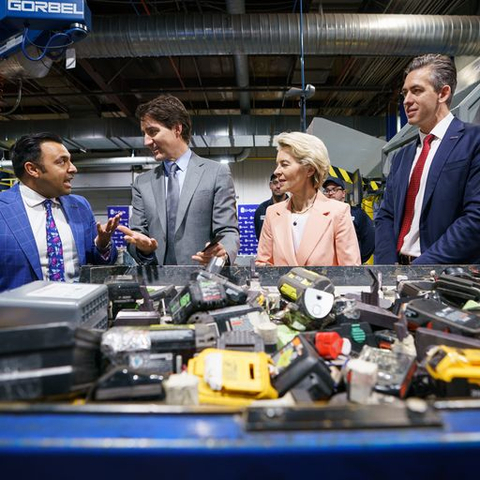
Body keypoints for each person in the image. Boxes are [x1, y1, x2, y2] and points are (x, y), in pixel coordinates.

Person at [375, 54, 480, 265]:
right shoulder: (401, 157)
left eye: (417, 91)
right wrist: (387, 268)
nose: (406, 100)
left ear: (443, 93)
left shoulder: (473, 142)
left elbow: (475, 217)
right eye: (405, 93)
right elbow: (385, 215)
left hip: (448, 274)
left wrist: (422, 267)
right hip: (399, 270)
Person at [118, 95, 239, 266]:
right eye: (144, 134)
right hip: (157, 284)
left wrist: (223, 253)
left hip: (204, 281)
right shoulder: (142, 183)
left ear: (177, 129)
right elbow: (137, 233)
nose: (146, 141)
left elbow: (227, 230)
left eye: (153, 132)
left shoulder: (216, 173)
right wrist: (142, 248)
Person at [0, 133, 120, 292]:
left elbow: (101, 263)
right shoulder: (3, 209)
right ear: (33, 169)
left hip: (76, 310)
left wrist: (102, 245)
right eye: (62, 162)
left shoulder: (80, 206)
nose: (73, 168)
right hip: (18, 314)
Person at [256, 132, 361, 266]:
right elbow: (263, 265)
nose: (277, 171)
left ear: (310, 170)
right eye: (277, 164)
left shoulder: (338, 213)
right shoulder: (272, 213)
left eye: (284, 164)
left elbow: (350, 272)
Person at [323, 176, 375, 263]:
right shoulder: (321, 215)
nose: (330, 193)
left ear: (343, 193)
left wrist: (358, 259)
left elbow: (370, 238)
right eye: (327, 191)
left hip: (350, 265)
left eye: (334, 189)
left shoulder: (357, 214)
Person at [254, 173, 288, 240]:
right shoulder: (261, 209)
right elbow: (260, 237)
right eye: (275, 183)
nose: (278, 186)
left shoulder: (294, 207)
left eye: (281, 183)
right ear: (270, 185)